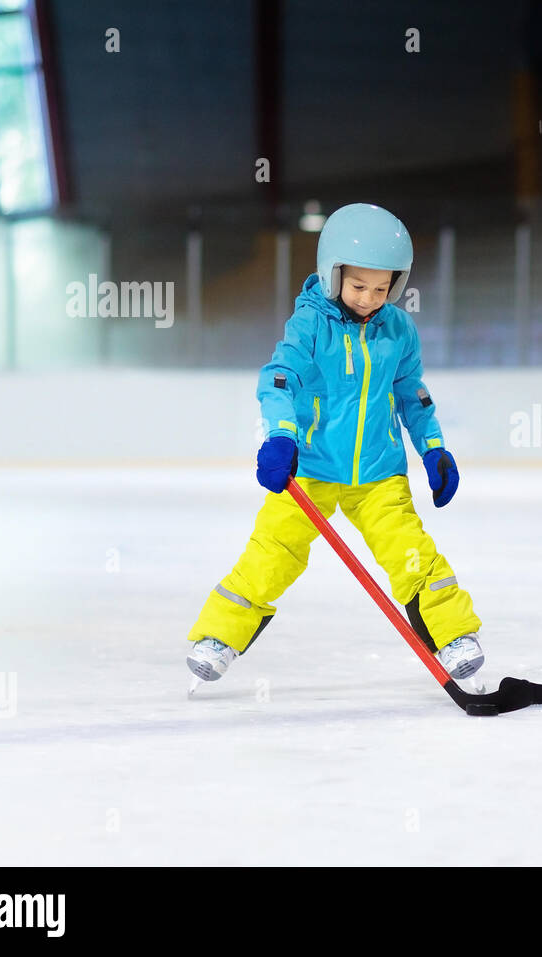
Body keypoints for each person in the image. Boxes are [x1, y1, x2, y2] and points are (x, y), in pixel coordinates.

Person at [185, 203, 484, 689]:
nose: (370, 298)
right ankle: (219, 636)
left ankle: (453, 637)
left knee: (412, 553)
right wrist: (280, 436)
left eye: (383, 287)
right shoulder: (309, 325)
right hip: (311, 470)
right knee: (273, 551)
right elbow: (278, 380)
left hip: (378, 473)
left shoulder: (398, 330)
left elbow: (413, 394)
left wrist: (433, 448)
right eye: (359, 285)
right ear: (332, 275)